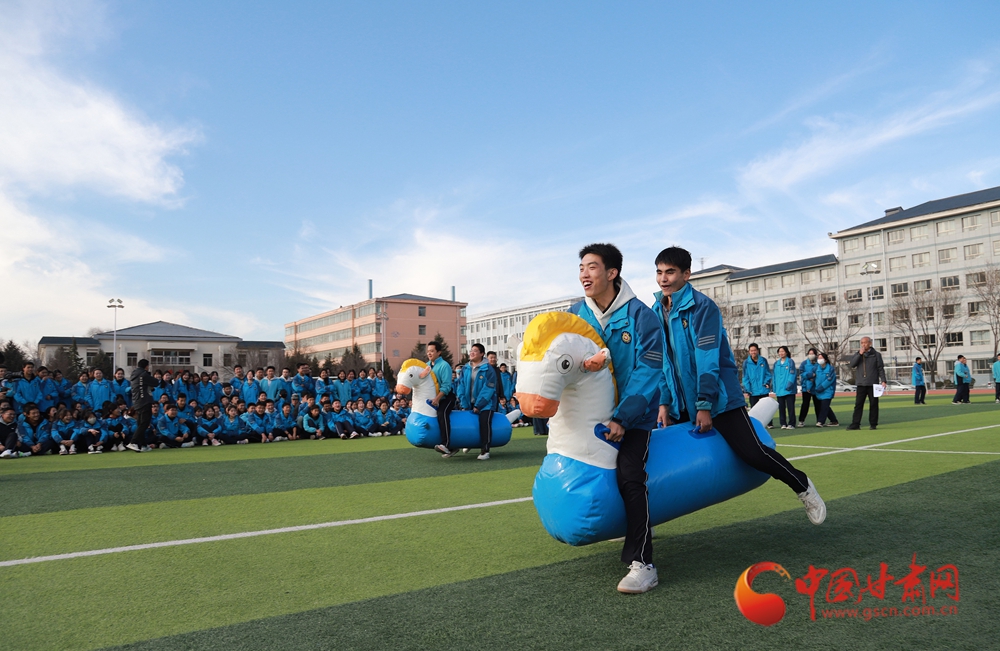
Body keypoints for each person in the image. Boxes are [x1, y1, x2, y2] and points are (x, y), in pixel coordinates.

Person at [652, 245, 826, 572]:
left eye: (670, 272)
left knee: (752, 454)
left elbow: (707, 360)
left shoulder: (702, 307)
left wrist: (704, 405)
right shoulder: (656, 309)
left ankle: (803, 486)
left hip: (718, 399)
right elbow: (662, 362)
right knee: (658, 461)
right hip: (680, 402)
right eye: (659, 272)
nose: (663, 278)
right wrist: (663, 402)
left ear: (686, 274)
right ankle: (641, 524)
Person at [569, 243, 663, 594]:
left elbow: (648, 370)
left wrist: (624, 417)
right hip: (591, 416)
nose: (584, 273)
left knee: (629, 473)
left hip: (634, 417)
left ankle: (644, 564)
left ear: (612, 273)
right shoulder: (575, 314)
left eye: (592, 267)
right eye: (581, 267)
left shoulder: (641, 315)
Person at [457, 343, 498, 460]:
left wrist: (479, 405)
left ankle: (485, 451)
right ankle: (468, 443)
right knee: (466, 424)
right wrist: (464, 403)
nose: (472, 352)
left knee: (484, 423)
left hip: (486, 404)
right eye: (471, 350)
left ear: (482, 354)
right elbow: (461, 385)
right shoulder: (465, 368)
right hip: (468, 402)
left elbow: (488, 389)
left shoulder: (488, 369)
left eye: (475, 351)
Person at [847, 337, 887, 430]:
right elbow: (852, 365)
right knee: (858, 405)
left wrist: (883, 380)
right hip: (861, 384)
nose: (863, 344)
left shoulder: (876, 355)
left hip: (873, 383)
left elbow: (880, 368)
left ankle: (873, 424)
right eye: (862, 343)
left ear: (870, 343)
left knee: (874, 404)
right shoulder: (858, 354)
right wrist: (859, 355)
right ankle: (855, 424)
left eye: (865, 342)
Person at [426, 341, 458, 457]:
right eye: (428, 351)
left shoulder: (444, 366)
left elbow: (446, 386)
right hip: (432, 399)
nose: (429, 353)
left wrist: (437, 398)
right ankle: (453, 447)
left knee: (442, 413)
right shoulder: (426, 366)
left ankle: (446, 444)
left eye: (432, 351)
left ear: (439, 352)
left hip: (446, 398)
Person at [741, 343, 772, 428]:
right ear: (749, 351)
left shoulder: (763, 360)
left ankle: (769, 424)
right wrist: (747, 389)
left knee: (766, 407)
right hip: (753, 390)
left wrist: (767, 383)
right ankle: (756, 425)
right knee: (754, 409)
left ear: (758, 351)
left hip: (763, 388)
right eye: (751, 351)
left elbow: (768, 373)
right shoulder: (746, 363)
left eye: (754, 350)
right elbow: (745, 377)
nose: (753, 352)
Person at [127, 359, 155, 452]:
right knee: (145, 423)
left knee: (140, 423)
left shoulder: (134, 374)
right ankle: (133, 442)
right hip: (145, 401)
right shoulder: (144, 374)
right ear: (146, 366)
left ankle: (143, 445)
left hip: (137, 401)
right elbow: (156, 382)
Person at [772, 347, 797, 430]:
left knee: (791, 408)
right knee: (781, 408)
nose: (781, 353)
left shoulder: (790, 362)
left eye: (783, 351)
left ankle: (791, 423)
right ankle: (783, 423)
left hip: (789, 390)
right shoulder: (776, 363)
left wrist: (789, 385)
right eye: (779, 351)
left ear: (786, 352)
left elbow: (792, 374)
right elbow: (774, 376)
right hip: (779, 390)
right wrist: (774, 387)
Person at [796, 348, 820, 427]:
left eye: (812, 353)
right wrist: (810, 375)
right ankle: (801, 420)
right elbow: (802, 373)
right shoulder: (804, 363)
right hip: (806, 387)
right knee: (805, 404)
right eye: (810, 353)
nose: (811, 355)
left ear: (815, 354)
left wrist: (814, 377)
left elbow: (819, 374)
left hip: (816, 387)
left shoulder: (818, 363)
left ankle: (819, 420)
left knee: (817, 404)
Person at [813, 353, 837, 426]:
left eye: (821, 358)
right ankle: (834, 421)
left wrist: (821, 387)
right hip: (818, 391)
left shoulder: (830, 369)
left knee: (824, 407)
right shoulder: (816, 368)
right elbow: (812, 378)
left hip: (828, 391)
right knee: (826, 407)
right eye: (818, 358)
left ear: (825, 360)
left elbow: (829, 380)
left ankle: (821, 421)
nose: (819, 359)